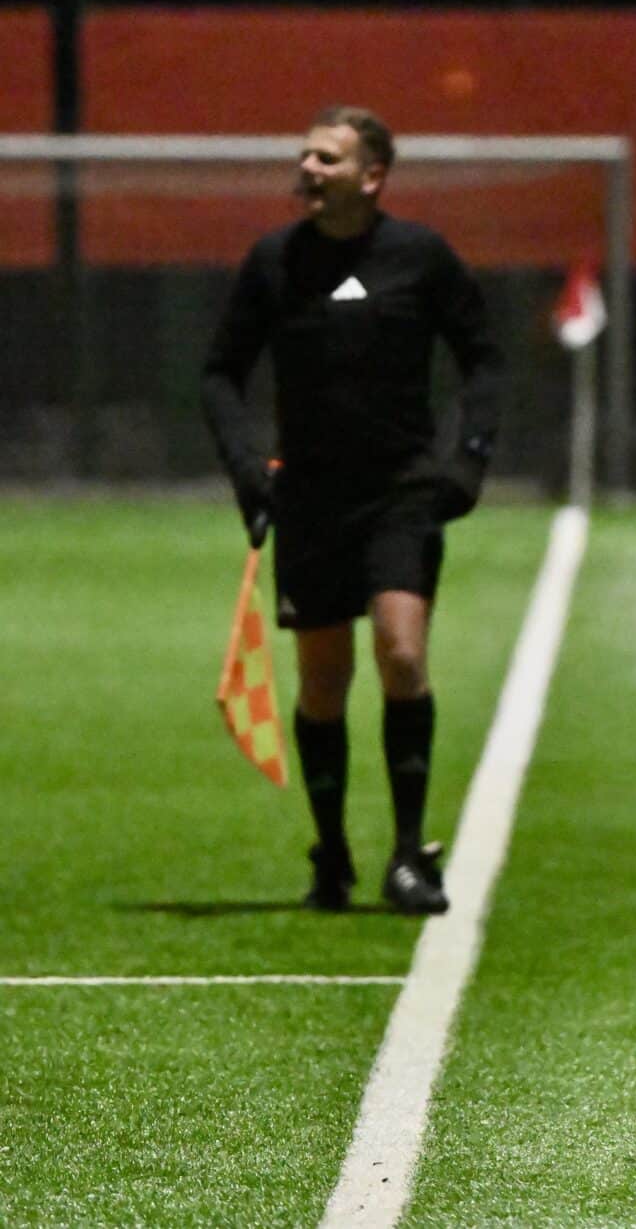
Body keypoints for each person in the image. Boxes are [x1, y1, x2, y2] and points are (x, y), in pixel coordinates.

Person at [200, 105, 502, 916]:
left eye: (327, 156)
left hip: (402, 491)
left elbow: (482, 358)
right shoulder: (274, 263)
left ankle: (409, 855)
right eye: (304, 153)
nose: (308, 166)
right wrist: (246, 473)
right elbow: (220, 373)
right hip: (310, 498)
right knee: (323, 683)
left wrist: (465, 462)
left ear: (372, 176)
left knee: (402, 655)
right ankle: (330, 851)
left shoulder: (421, 257)